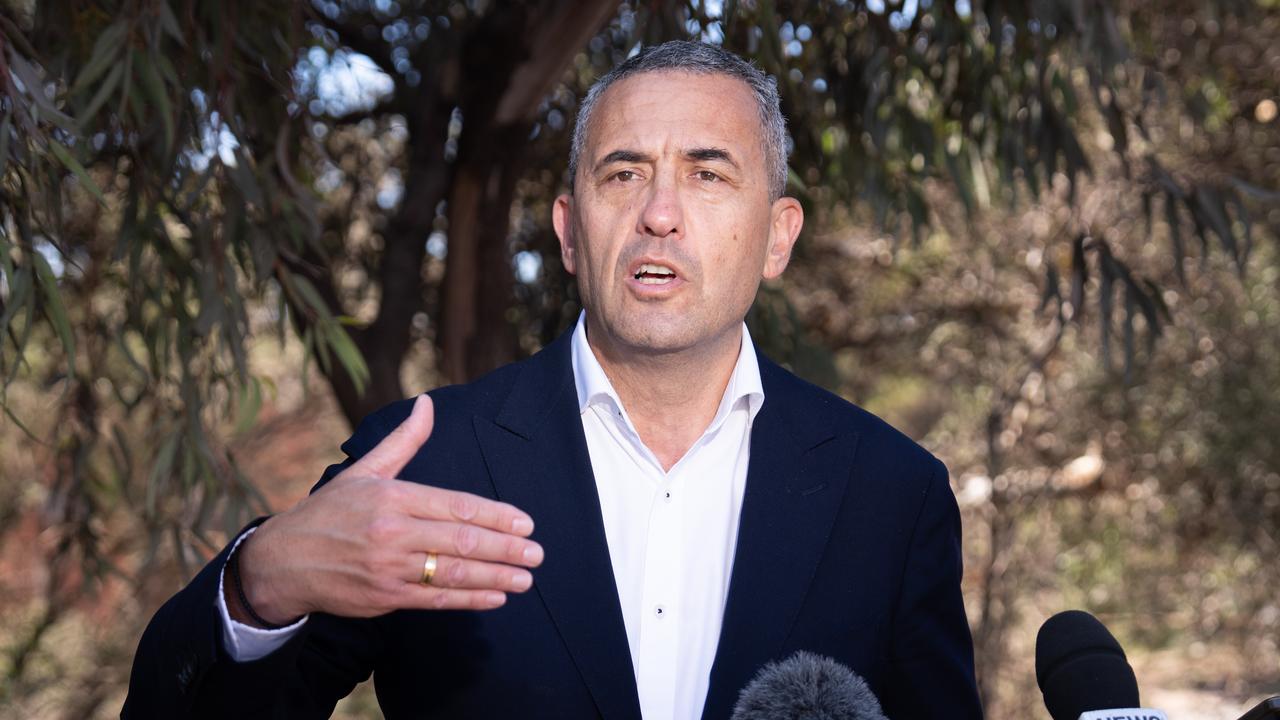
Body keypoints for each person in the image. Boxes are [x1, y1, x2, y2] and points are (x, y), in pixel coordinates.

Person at [123, 41, 983, 719]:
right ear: (570, 233)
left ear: (778, 236)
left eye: (708, 173)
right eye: (623, 173)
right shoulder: (426, 459)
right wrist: (256, 584)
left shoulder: (889, 496)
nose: (660, 212)